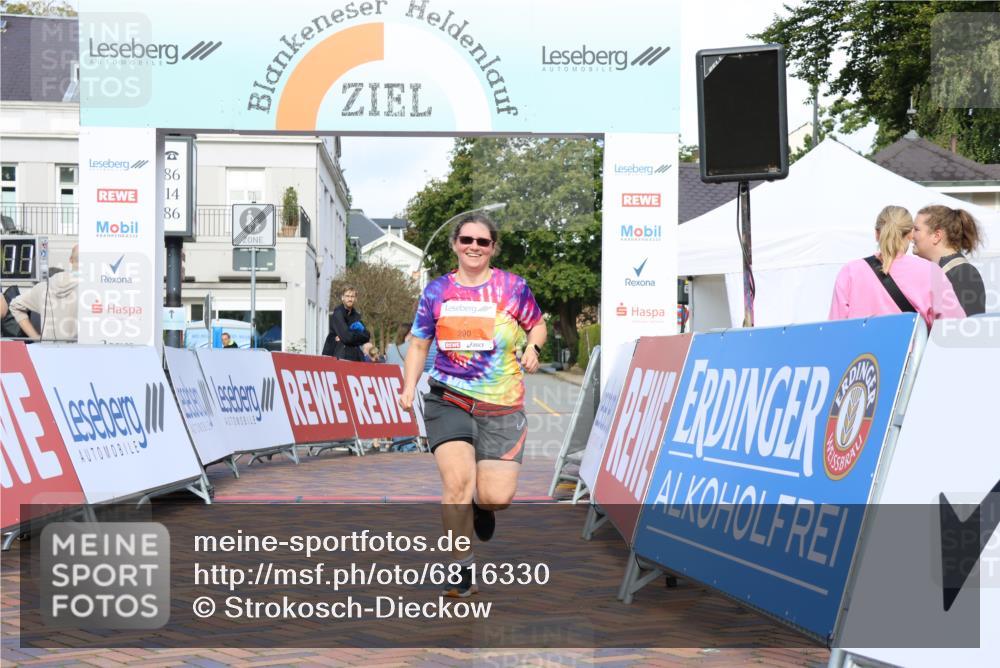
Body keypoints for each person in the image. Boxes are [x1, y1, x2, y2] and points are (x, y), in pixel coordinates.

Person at [398, 212, 546, 598]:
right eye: (467, 240)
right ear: (455, 244)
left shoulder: (513, 288)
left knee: (496, 497)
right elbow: (418, 343)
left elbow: (538, 325)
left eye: (482, 242)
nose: (474, 247)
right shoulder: (436, 291)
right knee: (456, 485)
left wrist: (533, 346)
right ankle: (461, 569)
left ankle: (482, 506)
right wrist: (407, 386)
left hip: (502, 404)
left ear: (493, 248)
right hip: (449, 397)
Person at [829, 206, 965, 328]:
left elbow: (835, 331)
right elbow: (954, 328)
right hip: (910, 355)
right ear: (911, 234)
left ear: (877, 234)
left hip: (861, 355)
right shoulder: (930, 272)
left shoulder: (850, 272)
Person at [911, 204, 987, 316]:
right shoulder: (944, 271)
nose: (910, 235)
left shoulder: (963, 274)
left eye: (916, 229)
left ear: (936, 236)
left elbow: (965, 327)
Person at [9, 245, 80, 342]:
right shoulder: (91, 291)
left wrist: (35, 337)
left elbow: (15, 305)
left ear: (71, 260)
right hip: (80, 352)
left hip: (46, 353)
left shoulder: (44, 287)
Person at [322, 286, 370, 361]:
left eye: (352, 296)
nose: (350, 299)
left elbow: (367, 336)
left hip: (352, 356)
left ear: (355, 299)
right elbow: (347, 337)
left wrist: (347, 336)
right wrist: (356, 336)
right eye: (347, 296)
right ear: (342, 298)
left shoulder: (356, 315)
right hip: (336, 355)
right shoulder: (338, 313)